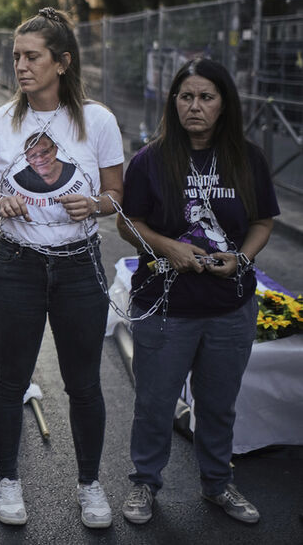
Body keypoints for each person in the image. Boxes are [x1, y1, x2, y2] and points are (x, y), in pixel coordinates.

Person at [0, 7, 124, 528]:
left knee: (84, 384)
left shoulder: (97, 120)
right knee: (9, 381)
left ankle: (90, 484)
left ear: (62, 62)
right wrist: (0, 202)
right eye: (17, 56)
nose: (20, 66)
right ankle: (8, 481)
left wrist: (95, 205)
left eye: (32, 57)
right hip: (17, 265)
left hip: (79, 267)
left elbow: (115, 193)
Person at [117, 58, 279, 526]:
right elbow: (129, 224)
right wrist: (168, 247)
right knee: (154, 404)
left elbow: (262, 222)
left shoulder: (247, 159)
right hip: (165, 308)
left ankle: (217, 483)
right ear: (173, 102)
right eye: (185, 97)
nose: (195, 106)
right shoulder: (150, 160)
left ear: (224, 104)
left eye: (206, 97)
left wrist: (241, 259)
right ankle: (145, 483)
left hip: (230, 308)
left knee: (218, 406)